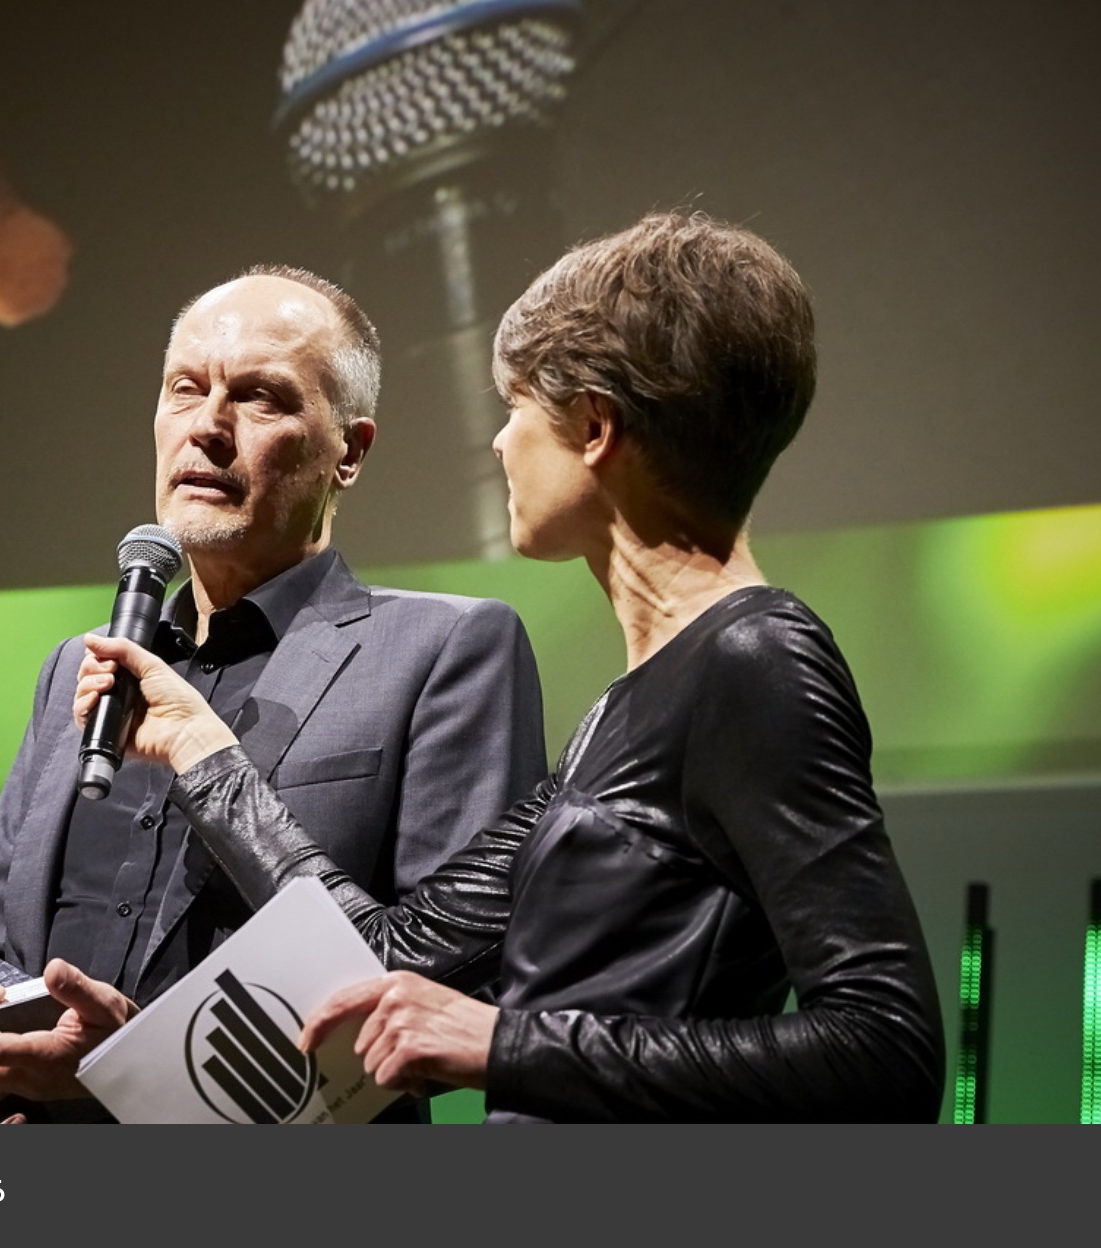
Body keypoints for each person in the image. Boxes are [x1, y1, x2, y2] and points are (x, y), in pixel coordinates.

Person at [61, 210, 947, 1122]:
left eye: (516, 407)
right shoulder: (630, 709)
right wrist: (206, 757)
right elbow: (389, 958)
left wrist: (503, 1044)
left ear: (594, 426)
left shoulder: (754, 658)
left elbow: (888, 1051)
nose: (498, 443)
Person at [0, 264, 549, 1124]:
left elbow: (447, 993)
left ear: (349, 452)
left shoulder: (444, 648)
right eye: (185, 390)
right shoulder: (77, 667)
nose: (206, 426)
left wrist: (128, 1072)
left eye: (261, 398)